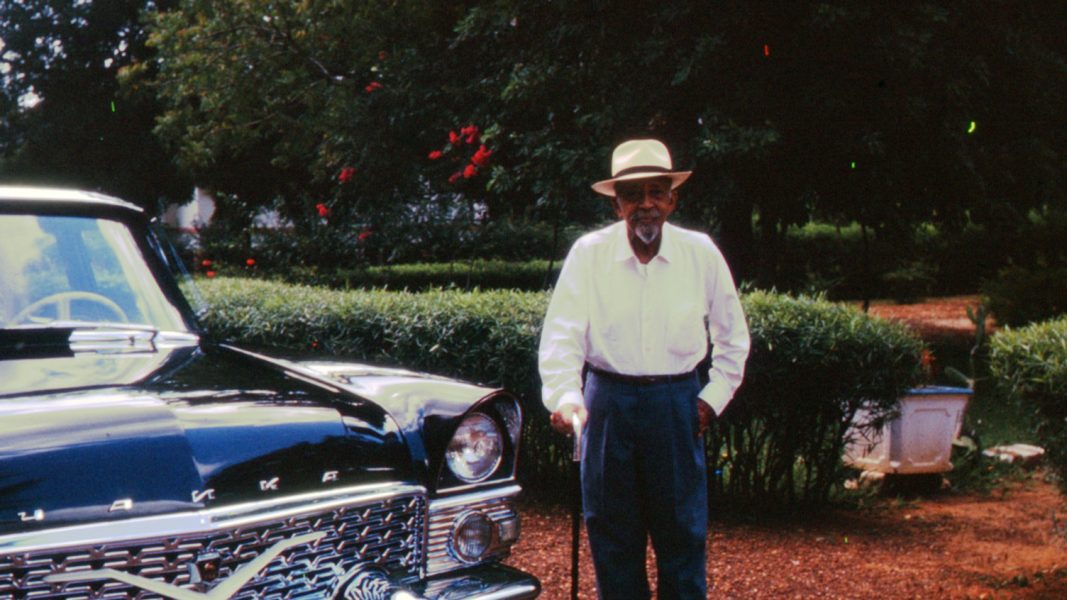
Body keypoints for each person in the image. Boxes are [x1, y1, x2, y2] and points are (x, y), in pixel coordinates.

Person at [538, 138, 750, 599]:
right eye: (633, 195)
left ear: (673, 199)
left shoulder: (701, 253)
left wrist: (709, 403)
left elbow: (733, 339)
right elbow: (562, 336)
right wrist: (566, 398)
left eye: (656, 192)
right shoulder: (589, 254)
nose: (646, 205)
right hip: (607, 404)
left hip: (677, 405)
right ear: (617, 204)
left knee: (683, 541)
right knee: (613, 544)